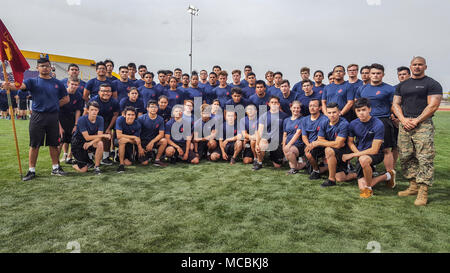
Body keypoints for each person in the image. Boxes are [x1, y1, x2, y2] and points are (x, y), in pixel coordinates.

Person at [2, 57, 70, 181]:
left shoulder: (57, 83)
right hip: (38, 116)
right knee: (34, 144)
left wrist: (53, 105)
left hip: (53, 116)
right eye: (42, 66)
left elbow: (66, 99)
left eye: (47, 66)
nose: (45, 68)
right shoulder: (32, 81)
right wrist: (8, 85)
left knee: (54, 144)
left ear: (51, 67)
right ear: (37, 68)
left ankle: (55, 168)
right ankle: (31, 170)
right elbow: (19, 85)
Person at [393, 56, 443, 206]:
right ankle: (413, 186)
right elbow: (396, 103)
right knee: (406, 156)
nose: (417, 67)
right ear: (410, 66)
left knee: (424, 157)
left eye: (420, 65)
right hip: (405, 124)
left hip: (422, 125)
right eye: (414, 64)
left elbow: (433, 106)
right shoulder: (403, 85)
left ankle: (423, 191)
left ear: (425, 67)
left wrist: (416, 120)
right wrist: (402, 119)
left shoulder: (432, 84)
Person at [343, 98, 395, 198]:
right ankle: (387, 176)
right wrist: (358, 152)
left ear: (369, 109)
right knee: (362, 188)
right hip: (361, 154)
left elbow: (374, 150)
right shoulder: (353, 124)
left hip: (376, 154)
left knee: (363, 160)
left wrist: (353, 154)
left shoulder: (378, 124)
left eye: (363, 110)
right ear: (355, 112)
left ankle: (369, 186)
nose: (361, 113)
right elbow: (350, 142)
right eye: (358, 111)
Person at [355, 63, 396, 179]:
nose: (375, 75)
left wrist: (395, 117)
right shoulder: (362, 88)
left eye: (378, 73)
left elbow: (394, 106)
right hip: (365, 122)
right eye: (373, 73)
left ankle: (390, 175)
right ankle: (368, 171)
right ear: (369, 74)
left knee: (386, 148)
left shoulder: (389, 89)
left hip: (383, 121)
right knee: (364, 147)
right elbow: (358, 105)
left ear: (383, 75)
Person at [312, 103, 350, 186]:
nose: (331, 115)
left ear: (339, 112)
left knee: (340, 178)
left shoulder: (344, 124)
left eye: (334, 112)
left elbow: (339, 145)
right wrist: (332, 143)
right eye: (329, 113)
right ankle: (317, 170)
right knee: (311, 148)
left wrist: (322, 143)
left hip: (343, 151)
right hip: (332, 148)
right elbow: (320, 138)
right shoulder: (324, 122)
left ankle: (332, 179)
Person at [71, 101, 110, 174]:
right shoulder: (82, 119)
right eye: (92, 110)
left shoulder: (100, 119)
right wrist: (103, 135)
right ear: (88, 110)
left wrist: (91, 143)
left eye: (96, 110)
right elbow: (87, 137)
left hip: (89, 142)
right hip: (78, 143)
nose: (94, 112)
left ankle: (97, 167)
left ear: (98, 111)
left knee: (100, 143)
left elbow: (98, 138)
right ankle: (74, 163)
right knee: (84, 170)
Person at [85, 83, 120, 165]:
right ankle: (89, 159)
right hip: (93, 120)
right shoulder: (93, 101)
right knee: (92, 138)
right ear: (99, 92)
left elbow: (115, 115)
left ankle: (105, 157)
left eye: (108, 91)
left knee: (107, 137)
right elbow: (87, 112)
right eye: (103, 91)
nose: (106, 93)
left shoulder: (114, 102)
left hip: (107, 121)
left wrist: (108, 129)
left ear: (111, 93)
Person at [254, 96, 289, 170]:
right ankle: (259, 163)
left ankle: (278, 157)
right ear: (269, 104)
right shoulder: (264, 116)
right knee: (262, 142)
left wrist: (284, 143)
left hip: (278, 142)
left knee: (278, 166)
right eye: (272, 102)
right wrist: (257, 144)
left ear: (279, 104)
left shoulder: (284, 116)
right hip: (267, 139)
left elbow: (286, 132)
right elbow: (259, 131)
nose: (274, 104)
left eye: (275, 102)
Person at [302, 99, 329, 179]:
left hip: (321, 144)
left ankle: (317, 171)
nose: (312, 108)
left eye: (314, 106)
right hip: (309, 144)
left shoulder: (325, 119)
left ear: (320, 108)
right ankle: (321, 167)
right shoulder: (305, 119)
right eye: (310, 106)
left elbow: (323, 137)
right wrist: (309, 145)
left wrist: (313, 145)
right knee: (309, 170)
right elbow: (304, 136)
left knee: (309, 153)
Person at [59, 77, 84, 165]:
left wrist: (76, 124)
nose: (73, 86)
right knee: (60, 140)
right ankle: (56, 163)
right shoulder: (61, 93)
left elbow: (78, 110)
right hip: (60, 118)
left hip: (71, 119)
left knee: (74, 139)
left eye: (76, 85)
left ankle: (69, 157)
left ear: (78, 85)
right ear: (68, 83)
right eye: (72, 84)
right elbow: (55, 109)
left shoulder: (79, 95)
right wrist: (59, 127)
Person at [138, 100, 168, 166]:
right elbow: (137, 135)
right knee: (144, 163)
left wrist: (152, 142)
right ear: (147, 108)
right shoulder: (141, 118)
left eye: (155, 107)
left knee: (164, 140)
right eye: (151, 107)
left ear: (157, 108)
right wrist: (140, 147)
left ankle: (157, 160)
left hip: (154, 141)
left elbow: (161, 134)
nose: (153, 109)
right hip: (143, 141)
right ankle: (145, 154)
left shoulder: (160, 119)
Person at [115, 107, 144, 173]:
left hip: (130, 142)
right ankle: (121, 165)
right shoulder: (120, 119)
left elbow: (137, 139)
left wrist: (139, 147)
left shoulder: (137, 124)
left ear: (135, 116)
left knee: (128, 163)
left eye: (133, 115)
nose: (131, 117)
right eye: (129, 114)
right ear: (124, 115)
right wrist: (133, 137)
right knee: (122, 141)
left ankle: (119, 156)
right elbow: (119, 135)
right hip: (118, 140)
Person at [282, 101, 305, 175]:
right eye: (294, 107)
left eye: (298, 108)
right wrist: (283, 147)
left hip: (298, 144)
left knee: (289, 151)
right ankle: (302, 164)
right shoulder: (286, 120)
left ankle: (294, 169)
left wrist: (288, 146)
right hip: (288, 144)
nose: (296, 109)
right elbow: (285, 134)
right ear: (291, 108)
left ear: (300, 109)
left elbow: (298, 133)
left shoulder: (302, 119)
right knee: (288, 152)